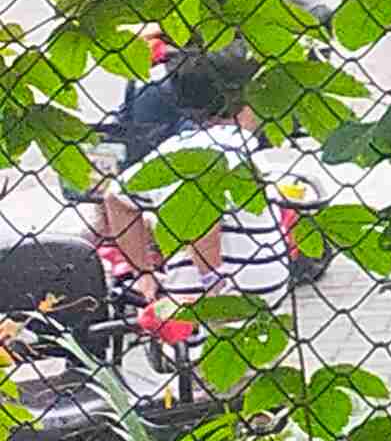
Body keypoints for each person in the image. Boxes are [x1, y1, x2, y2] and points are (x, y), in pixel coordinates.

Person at [88, 53, 294, 346]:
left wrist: (143, 272)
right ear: (250, 99)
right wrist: (214, 283)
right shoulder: (231, 147)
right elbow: (202, 224)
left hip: (219, 300)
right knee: (222, 362)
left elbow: (114, 198)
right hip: (225, 300)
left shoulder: (180, 149)